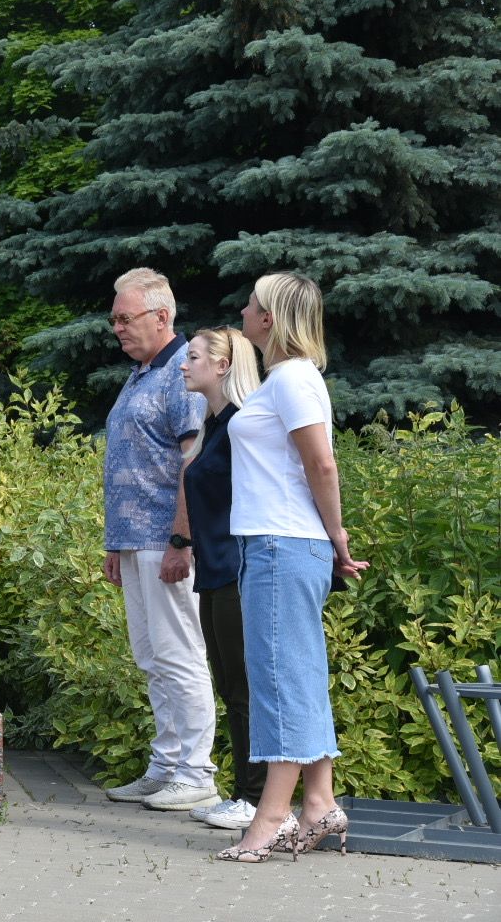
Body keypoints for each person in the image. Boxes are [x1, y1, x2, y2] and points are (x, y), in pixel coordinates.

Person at [217, 273, 369, 863]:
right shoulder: (282, 380)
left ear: (270, 319)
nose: (244, 310)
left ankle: (273, 816)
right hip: (278, 543)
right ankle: (320, 803)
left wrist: (336, 536)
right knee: (298, 673)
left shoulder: (295, 381)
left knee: (277, 679)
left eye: (252, 304)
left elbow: (321, 465)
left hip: (283, 545)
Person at [100, 268, 220, 813]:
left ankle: (196, 772)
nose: (118, 329)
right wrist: (114, 543)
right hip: (134, 541)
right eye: (115, 319)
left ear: (161, 316)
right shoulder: (142, 373)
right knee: (152, 658)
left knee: (180, 655)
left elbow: (191, 462)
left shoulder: (181, 372)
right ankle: (166, 764)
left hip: (167, 541)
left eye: (126, 319)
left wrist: (181, 539)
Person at [178, 327, 265, 830]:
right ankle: (243, 793)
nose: (184, 366)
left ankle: (255, 800)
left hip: (237, 569)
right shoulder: (215, 425)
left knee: (243, 687)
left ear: (224, 364)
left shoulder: (241, 424)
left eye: (192, 357)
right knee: (228, 684)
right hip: (212, 570)